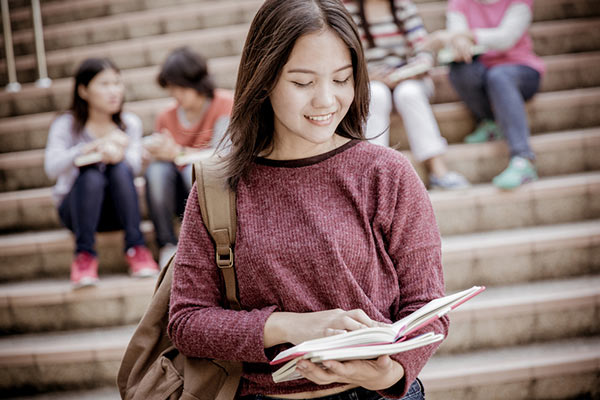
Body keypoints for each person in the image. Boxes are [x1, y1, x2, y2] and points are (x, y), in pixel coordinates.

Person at [168, 1, 448, 399]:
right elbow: (186, 322)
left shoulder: (386, 173)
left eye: (342, 79)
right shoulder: (219, 185)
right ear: (264, 80)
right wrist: (289, 326)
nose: (326, 100)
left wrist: (388, 374)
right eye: (303, 82)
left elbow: (428, 307)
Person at [44, 58, 159, 288]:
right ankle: (84, 256)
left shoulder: (129, 123)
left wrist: (119, 154)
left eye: (117, 83)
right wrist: (87, 150)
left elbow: (134, 165)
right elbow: (52, 167)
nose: (114, 91)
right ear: (83, 90)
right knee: (91, 174)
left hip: (118, 209)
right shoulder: (66, 124)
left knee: (119, 168)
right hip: (76, 210)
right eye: (104, 84)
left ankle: (136, 248)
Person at [345, 0, 469, 190]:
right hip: (371, 81)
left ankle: (438, 170)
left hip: (410, 79)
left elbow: (423, 50)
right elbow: (346, 57)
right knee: (376, 94)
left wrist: (409, 72)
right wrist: (368, 76)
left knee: (408, 93)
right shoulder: (349, 9)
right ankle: (373, 174)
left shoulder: (402, 6)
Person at [430, 0, 544, 189]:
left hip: (521, 69)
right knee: (460, 69)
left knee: (499, 76)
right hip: (482, 70)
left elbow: (506, 38)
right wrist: (459, 40)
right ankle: (491, 122)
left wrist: (466, 35)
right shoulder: (460, 2)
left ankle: (523, 158)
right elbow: (457, 35)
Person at [143, 47, 234, 267]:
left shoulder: (224, 104)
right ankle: (167, 244)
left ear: (195, 81)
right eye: (171, 88)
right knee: (155, 172)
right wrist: (154, 153)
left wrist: (179, 153)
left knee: (196, 171)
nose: (175, 94)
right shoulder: (167, 115)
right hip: (174, 191)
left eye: (180, 87)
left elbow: (223, 152)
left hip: (210, 185)